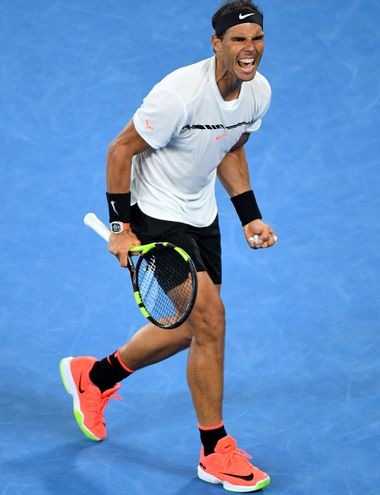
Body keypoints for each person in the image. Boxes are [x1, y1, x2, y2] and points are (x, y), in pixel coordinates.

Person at [60, 0, 277, 491]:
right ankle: (214, 450)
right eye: (238, 40)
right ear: (216, 43)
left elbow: (231, 147)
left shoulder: (257, 93)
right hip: (153, 212)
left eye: (257, 38)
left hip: (201, 212)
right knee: (211, 321)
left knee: (188, 330)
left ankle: (93, 378)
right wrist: (120, 228)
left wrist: (250, 216)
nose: (250, 50)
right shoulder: (178, 94)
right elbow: (120, 149)